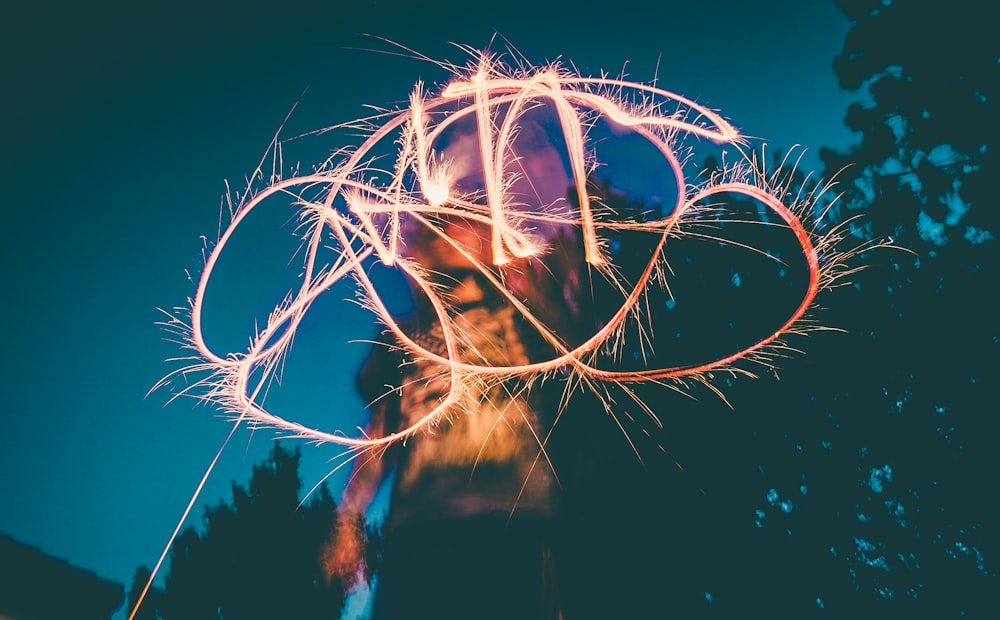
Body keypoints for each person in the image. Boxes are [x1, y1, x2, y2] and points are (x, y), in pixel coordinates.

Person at [323, 216, 586, 620]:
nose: (451, 232)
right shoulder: (401, 336)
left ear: (489, 240)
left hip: (516, 524)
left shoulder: (524, 317)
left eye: (466, 222)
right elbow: (380, 437)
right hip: (420, 530)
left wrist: (540, 294)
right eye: (439, 226)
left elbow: (581, 362)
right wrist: (349, 516)